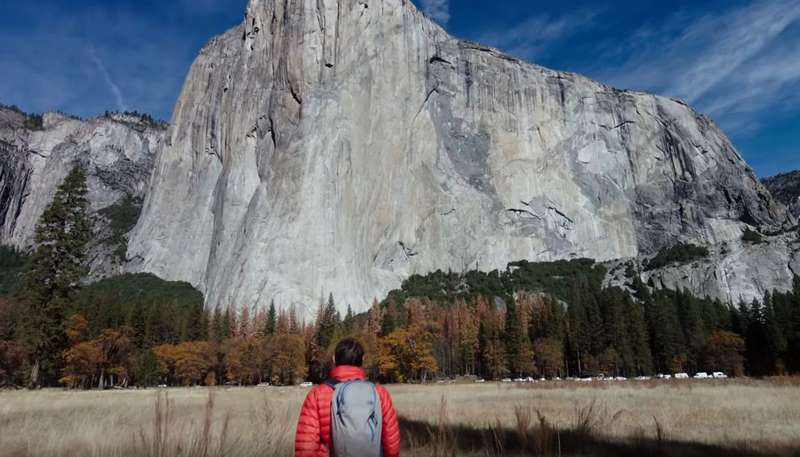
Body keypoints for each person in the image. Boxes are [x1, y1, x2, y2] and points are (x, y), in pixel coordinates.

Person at [295, 337, 401, 457]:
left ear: (334, 359)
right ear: (363, 359)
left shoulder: (318, 394)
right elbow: (392, 445)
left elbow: (306, 448)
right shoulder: (380, 393)